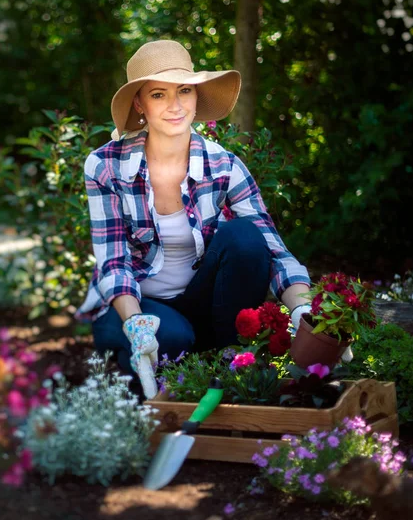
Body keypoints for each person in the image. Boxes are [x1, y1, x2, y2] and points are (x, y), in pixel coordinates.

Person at [74, 39, 313, 399]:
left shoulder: (224, 165)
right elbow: (113, 262)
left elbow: (272, 249)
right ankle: (138, 363)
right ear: (139, 102)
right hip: (130, 307)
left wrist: (303, 310)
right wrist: (138, 325)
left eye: (184, 90)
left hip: (197, 302)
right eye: (158, 94)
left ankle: (232, 363)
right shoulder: (105, 165)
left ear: (197, 95)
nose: (175, 105)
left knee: (245, 237)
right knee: (171, 337)